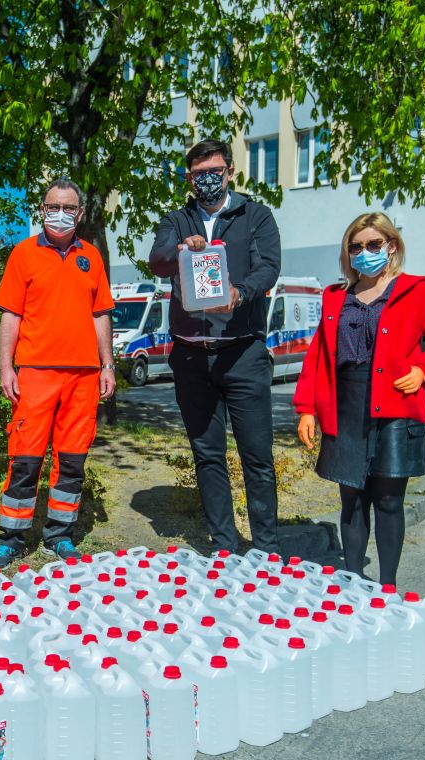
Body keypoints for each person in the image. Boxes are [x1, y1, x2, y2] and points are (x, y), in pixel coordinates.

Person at [293, 212, 425, 586]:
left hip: (397, 410)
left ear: (392, 246)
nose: (364, 252)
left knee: (388, 501)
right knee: (352, 501)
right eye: (356, 247)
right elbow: (319, 355)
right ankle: (354, 583)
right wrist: (306, 408)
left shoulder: (417, 291)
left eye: (373, 244)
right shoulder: (336, 297)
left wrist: (422, 370)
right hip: (346, 406)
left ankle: (387, 586)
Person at [147, 137, 282, 554]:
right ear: (189, 178)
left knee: (256, 456)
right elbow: (157, 260)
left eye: (215, 172)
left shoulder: (255, 215)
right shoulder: (176, 220)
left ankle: (266, 549)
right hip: (190, 356)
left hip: (242, 352)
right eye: (199, 174)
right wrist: (179, 249)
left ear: (230, 173)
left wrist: (239, 293)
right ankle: (224, 545)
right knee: (208, 455)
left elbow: (269, 268)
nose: (208, 180)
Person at [0, 178, 116, 566]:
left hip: (83, 376)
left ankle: (59, 535)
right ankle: (11, 536)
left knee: (72, 458)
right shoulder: (23, 254)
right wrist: (5, 365)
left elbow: (101, 315)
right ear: (42, 210)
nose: (60, 214)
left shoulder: (91, 257)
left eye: (68, 207)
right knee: (25, 458)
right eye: (52, 206)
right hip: (35, 373)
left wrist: (107, 364)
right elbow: (11, 314)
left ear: (80, 213)